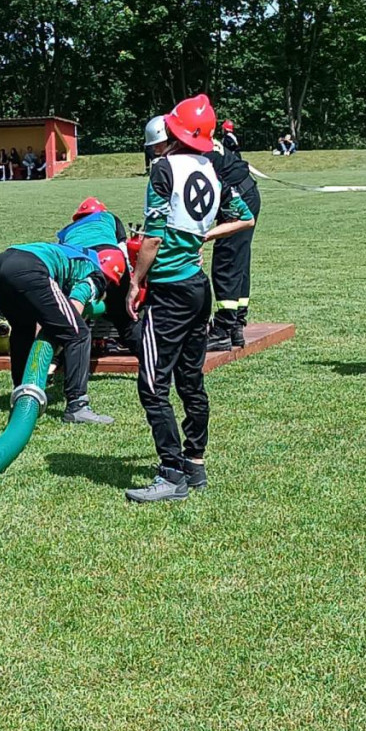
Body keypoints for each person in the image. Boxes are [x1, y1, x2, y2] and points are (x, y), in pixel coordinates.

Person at [125, 95, 255, 502]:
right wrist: (204, 235)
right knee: (191, 379)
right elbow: (245, 216)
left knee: (152, 383)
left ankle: (170, 474)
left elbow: (153, 236)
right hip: (200, 289)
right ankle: (194, 463)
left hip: (168, 291)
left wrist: (134, 281)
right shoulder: (212, 169)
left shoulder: (163, 170)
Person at [0, 240, 125, 424]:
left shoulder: (77, 254)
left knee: (23, 328)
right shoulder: (96, 274)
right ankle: (77, 406)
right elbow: (75, 305)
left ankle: (23, 393)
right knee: (78, 334)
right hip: (29, 268)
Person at [201, 130, 263, 351]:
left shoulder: (192, 151)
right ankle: (236, 323)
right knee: (238, 261)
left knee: (226, 261)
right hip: (247, 192)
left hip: (238, 197)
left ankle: (223, 329)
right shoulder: (203, 141)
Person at [56, 197, 140, 355]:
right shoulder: (109, 217)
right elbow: (123, 249)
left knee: (73, 314)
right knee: (124, 318)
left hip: (77, 261)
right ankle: (153, 363)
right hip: (110, 258)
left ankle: (59, 358)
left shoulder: (67, 229)